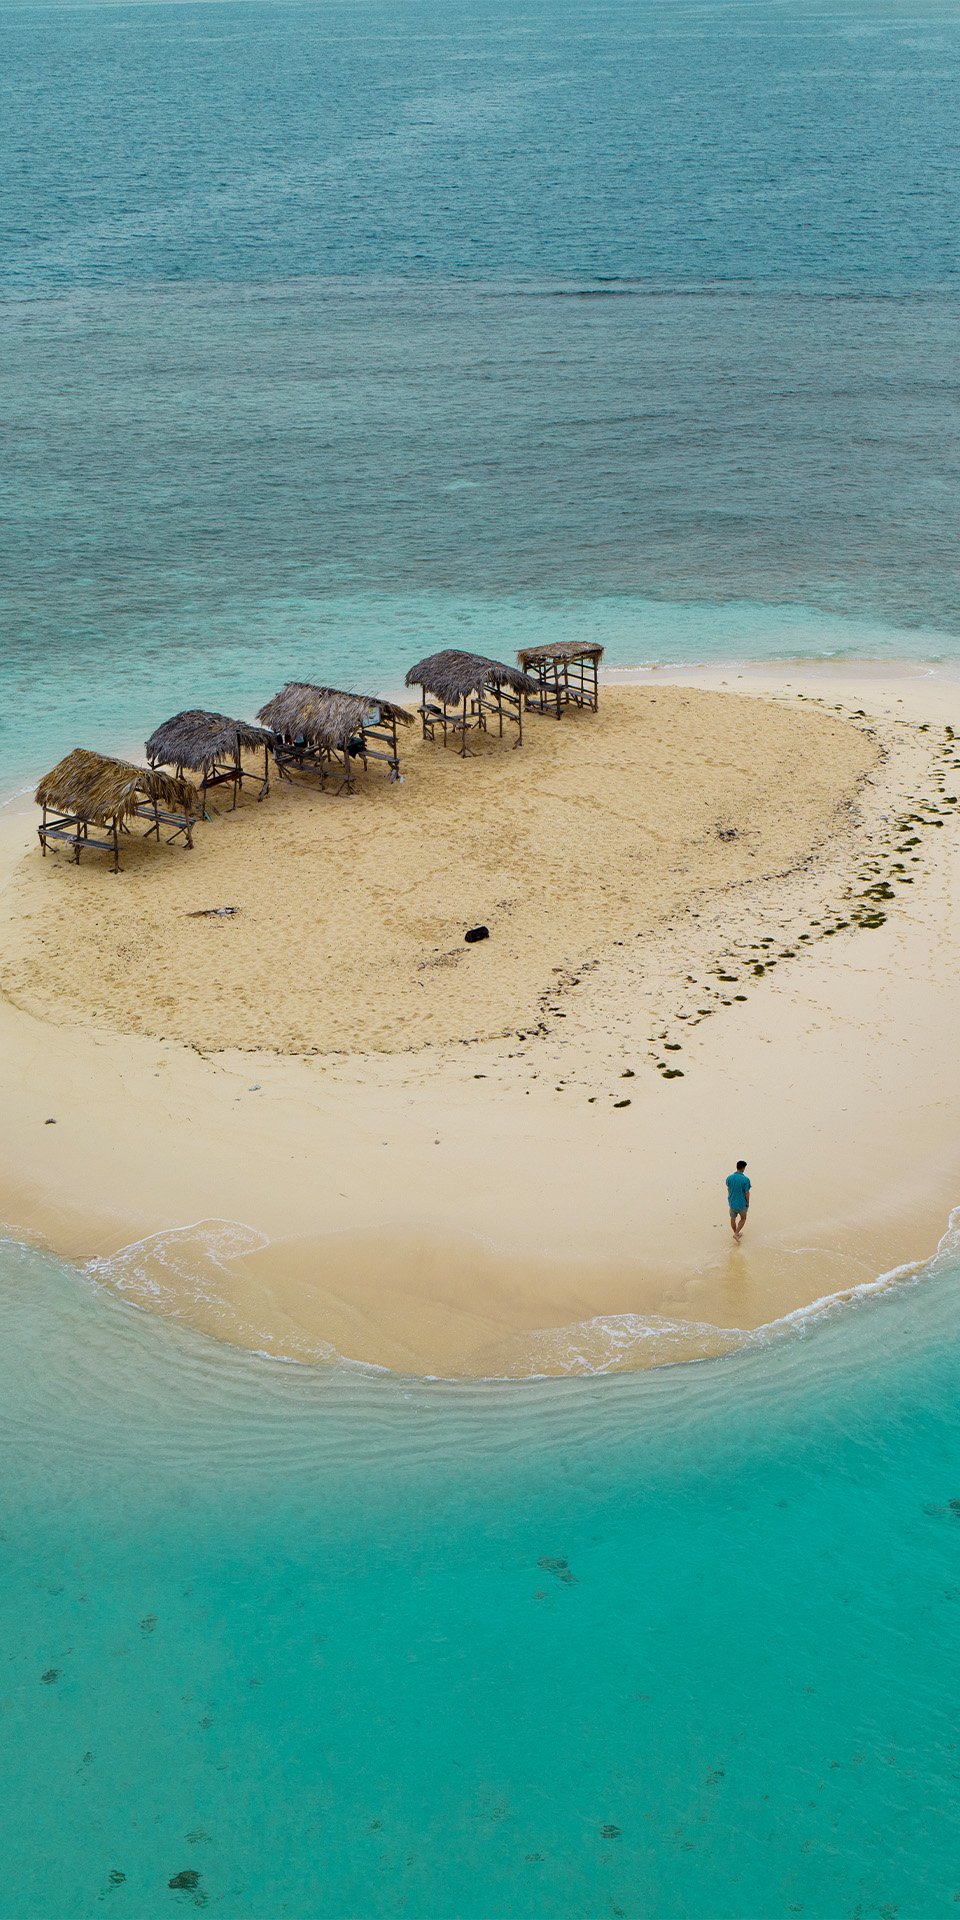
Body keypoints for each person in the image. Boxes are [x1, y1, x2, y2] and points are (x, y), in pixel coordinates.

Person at [726, 1160, 751, 1242]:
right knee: (743, 1218)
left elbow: (729, 1189)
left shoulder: (729, 1178)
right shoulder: (745, 1179)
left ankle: (736, 1234)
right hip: (741, 1203)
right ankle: (736, 1233)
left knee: (733, 1218)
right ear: (743, 1168)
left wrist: (730, 1199)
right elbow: (747, 1193)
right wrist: (748, 1202)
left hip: (732, 1203)